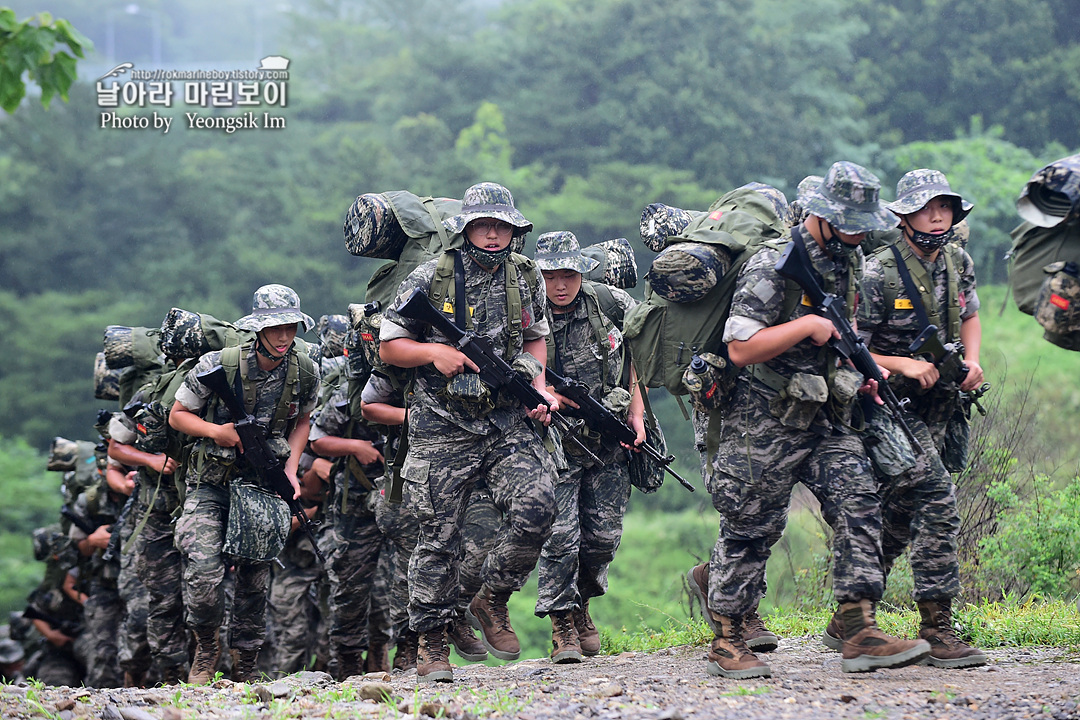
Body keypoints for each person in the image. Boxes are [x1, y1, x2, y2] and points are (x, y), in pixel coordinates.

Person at [690, 161, 931, 678]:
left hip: (826, 415)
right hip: (763, 419)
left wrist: (858, 370)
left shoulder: (851, 265)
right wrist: (807, 326)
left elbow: (845, 336)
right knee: (751, 528)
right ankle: (729, 638)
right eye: (847, 222)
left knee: (859, 498)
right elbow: (740, 347)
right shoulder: (774, 264)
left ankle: (859, 626)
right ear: (821, 216)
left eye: (862, 223)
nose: (857, 232)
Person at [379, 182, 558, 682]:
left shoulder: (525, 275)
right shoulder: (431, 275)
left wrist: (537, 386)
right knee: (438, 537)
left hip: (503, 419)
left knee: (538, 505)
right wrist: (434, 353)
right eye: (485, 225)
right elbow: (390, 347)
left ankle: (492, 598)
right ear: (467, 228)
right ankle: (431, 641)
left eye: (503, 226)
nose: (494, 235)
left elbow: (536, 340)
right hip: (441, 424)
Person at [831, 168, 987, 668]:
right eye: (925, 208)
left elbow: (969, 313)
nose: (937, 216)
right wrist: (902, 365)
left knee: (899, 513)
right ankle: (937, 627)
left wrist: (973, 362)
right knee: (938, 500)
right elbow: (853, 346)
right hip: (887, 406)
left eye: (943, 207)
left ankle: (850, 616)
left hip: (941, 407)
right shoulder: (878, 272)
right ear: (904, 217)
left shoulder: (958, 261)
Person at [170, 284, 319, 684]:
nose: (284, 336)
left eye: (290, 326)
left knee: (255, 577)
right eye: (275, 327)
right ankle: (206, 647)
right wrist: (217, 432)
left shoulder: (304, 370)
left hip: (262, 486)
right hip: (212, 484)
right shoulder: (218, 365)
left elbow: (303, 420)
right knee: (202, 572)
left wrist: (290, 470)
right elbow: (178, 415)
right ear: (257, 329)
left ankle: (246, 663)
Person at [530, 231, 644, 663]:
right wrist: (545, 395)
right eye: (551, 275)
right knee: (560, 537)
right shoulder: (525, 312)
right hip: (554, 441)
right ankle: (561, 624)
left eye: (569, 274)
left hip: (606, 440)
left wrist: (636, 412)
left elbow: (638, 356)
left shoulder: (608, 304)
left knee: (602, 537)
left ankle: (582, 605)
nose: (561, 285)